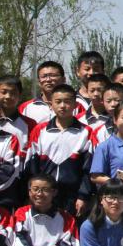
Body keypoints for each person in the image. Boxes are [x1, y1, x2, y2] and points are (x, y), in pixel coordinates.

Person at [23, 84, 97, 216]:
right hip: (44, 195)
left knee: (71, 227)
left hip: (73, 197)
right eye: (58, 101)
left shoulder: (86, 132)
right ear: (51, 104)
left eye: (67, 101)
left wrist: (83, 196)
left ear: (75, 105)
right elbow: (31, 165)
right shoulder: (40, 130)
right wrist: (32, 192)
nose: (62, 106)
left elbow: (89, 168)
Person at [21, 61, 67, 126]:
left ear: (63, 79)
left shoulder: (76, 106)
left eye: (53, 75)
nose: (48, 80)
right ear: (39, 82)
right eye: (44, 76)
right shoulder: (25, 107)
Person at [0, 74, 33, 147]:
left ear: (20, 96)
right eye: (4, 92)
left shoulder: (30, 124)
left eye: (13, 93)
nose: (8, 96)